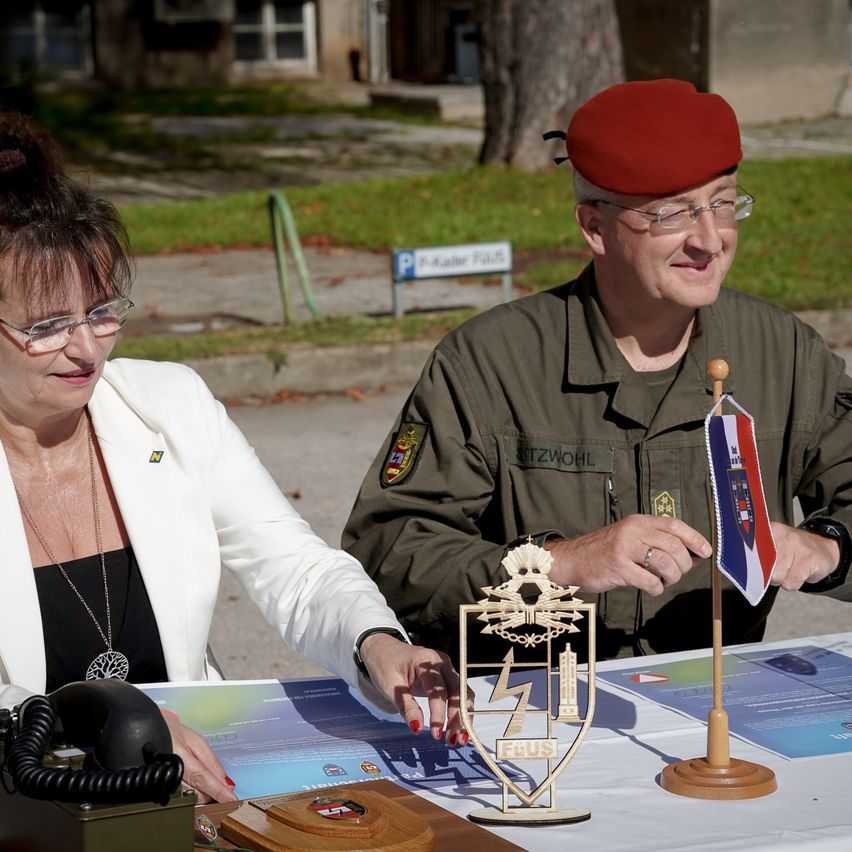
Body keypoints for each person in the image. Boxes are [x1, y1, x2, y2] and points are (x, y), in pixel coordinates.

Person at [0, 112, 467, 805]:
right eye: (46, 327)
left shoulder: (171, 403)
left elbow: (296, 569)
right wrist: (105, 719)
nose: (88, 348)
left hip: (193, 783)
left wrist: (379, 645)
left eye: (101, 312)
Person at [343, 79, 852, 667]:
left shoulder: (780, 352)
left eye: (722, 202)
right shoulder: (490, 362)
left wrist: (827, 548)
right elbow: (388, 548)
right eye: (672, 214)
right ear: (593, 227)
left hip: (717, 703)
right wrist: (558, 565)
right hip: (532, 711)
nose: (711, 240)